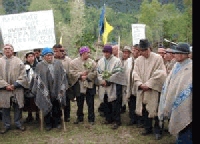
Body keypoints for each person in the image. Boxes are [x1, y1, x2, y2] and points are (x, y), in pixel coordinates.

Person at [158, 42, 192, 144]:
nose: (174, 55)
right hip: (174, 104)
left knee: (186, 133)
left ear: (183, 55)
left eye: (176, 53)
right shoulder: (176, 65)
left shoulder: (190, 68)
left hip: (187, 107)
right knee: (180, 134)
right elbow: (170, 84)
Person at [133, 39, 167, 140]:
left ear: (148, 49)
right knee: (144, 109)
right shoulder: (138, 60)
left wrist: (149, 84)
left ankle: (158, 130)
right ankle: (147, 128)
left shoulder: (157, 58)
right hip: (143, 89)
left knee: (155, 109)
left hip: (153, 89)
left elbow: (161, 73)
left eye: (143, 50)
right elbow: (135, 73)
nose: (142, 53)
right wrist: (140, 84)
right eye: (141, 51)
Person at [31, 47, 68, 131]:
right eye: (47, 55)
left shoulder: (58, 63)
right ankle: (48, 123)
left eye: (51, 55)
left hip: (57, 89)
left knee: (56, 106)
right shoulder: (39, 66)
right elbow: (36, 79)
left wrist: (62, 86)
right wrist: (36, 89)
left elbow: (63, 76)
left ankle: (57, 122)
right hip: (45, 90)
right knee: (45, 103)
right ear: (43, 56)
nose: (49, 57)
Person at [0, 44, 29, 134]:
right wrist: (5, 85)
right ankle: (6, 125)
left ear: (12, 50)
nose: (7, 50)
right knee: (5, 107)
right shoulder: (0, 61)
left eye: (9, 49)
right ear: (3, 51)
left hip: (17, 89)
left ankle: (18, 123)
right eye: (6, 49)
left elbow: (23, 75)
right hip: (4, 89)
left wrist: (15, 85)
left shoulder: (19, 61)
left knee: (17, 107)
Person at [97, 45, 126, 129]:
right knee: (105, 101)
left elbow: (118, 72)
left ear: (111, 52)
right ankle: (108, 118)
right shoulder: (100, 61)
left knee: (115, 103)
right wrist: (102, 80)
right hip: (103, 85)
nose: (106, 54)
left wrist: (109, 80)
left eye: (107, 52)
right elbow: (98, 72)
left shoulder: (117, 61)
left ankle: (117, 120)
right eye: (104, 52)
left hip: (113, 85)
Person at [69, 46, 97, 125]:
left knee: (90, 103)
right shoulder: (74, 62)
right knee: (79, 103)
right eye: (87, 52)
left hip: (89, 85)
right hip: (79, 86)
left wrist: (87, 77)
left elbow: (95, 72)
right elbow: (71, 72)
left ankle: (91, 119)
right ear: (82, 53)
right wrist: (80, 75)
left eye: (89, 52)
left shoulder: (92, 62)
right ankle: (79, 117)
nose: (88, 54)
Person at [53, 44, 72, 122]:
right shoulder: (52, 59)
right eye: (54, 51)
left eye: (57, 51)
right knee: (56, 100)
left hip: (65, 83)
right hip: (55, 84)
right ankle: (58, 115)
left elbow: (70, 71)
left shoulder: (67, 60)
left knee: (66, 100)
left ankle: (66, 116)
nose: (55, 53)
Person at [125, 44, 142, 127]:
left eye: (135, 50)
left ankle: (139, 120)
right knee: (131, 102)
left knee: (138, 102)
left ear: (139, 51)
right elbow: (125, 71)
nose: (133, 52)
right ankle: (132, 119)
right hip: (130, 84)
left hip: (137, 85)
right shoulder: (128, 61)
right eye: (133, 50)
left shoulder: (141, 61)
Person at [23, 51, 39, 123]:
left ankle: (38, 115)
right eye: (28, 57)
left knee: (36, 101)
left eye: (32, 56)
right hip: (27, 86)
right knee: (28, 101)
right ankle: (30, 115)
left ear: (34, 57)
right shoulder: (24, 66)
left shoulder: (38, 65)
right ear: (26, 58)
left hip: (37, 86)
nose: (30, 58)